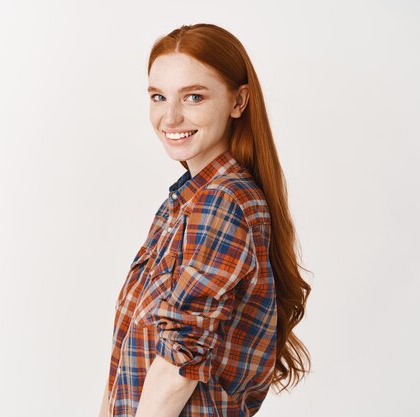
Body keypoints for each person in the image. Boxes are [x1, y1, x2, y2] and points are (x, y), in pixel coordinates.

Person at [100, 23, 311, 417]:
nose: (170, 116)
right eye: (158, 97)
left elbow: (178, 367)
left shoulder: (222, 202)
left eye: (193, 96)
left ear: (238, 101)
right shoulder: (184, 203)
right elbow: (128, 367)